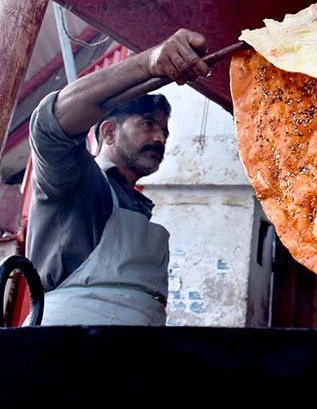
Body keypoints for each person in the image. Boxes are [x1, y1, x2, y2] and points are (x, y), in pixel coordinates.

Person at [25, 28, 209, 326]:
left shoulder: (137, 205)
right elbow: (48, 127)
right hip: (64, 346)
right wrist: (149, 63)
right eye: (148, 125)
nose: (160, 138)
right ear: (109, 131)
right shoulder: (76, 178)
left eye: (164, 131)